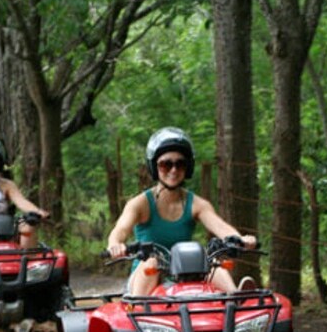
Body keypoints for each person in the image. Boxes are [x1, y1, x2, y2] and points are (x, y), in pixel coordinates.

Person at [106, 126, 257, 295]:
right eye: (166, 164)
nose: (173, 170)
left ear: (188, 168)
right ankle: (137, 307)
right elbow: (120, 230)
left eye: (180, 164)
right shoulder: (140, 203)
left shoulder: (197, 204)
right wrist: (115, 245)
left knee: (212, 261)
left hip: (187, 275)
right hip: (147, 275)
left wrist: (240, 239)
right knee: (152, 261)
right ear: (154, 167)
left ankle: (235, 296)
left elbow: (221, 227)